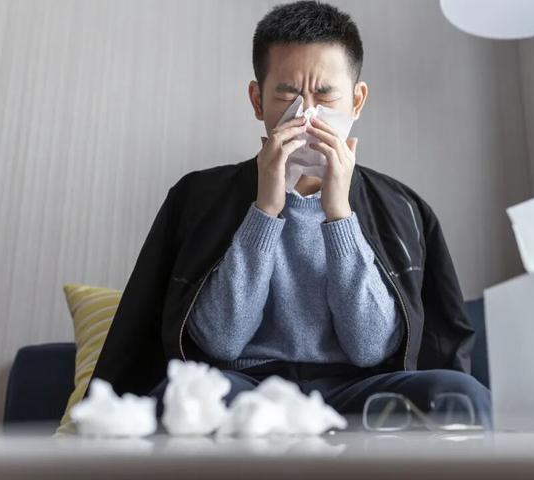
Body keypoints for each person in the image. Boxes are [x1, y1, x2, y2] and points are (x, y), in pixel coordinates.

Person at [88, 0, 491, 429]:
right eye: (287, 94)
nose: (306, 114)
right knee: (181, 401)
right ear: (257, 100)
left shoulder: (402, 207)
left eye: (325, 94)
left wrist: (339, 214)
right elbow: (222, 340)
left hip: (359, 389)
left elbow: (370, 347)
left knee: (458, 395)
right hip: (244, 387)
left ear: (356, 101)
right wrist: (265, 208)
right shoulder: (197, 197)